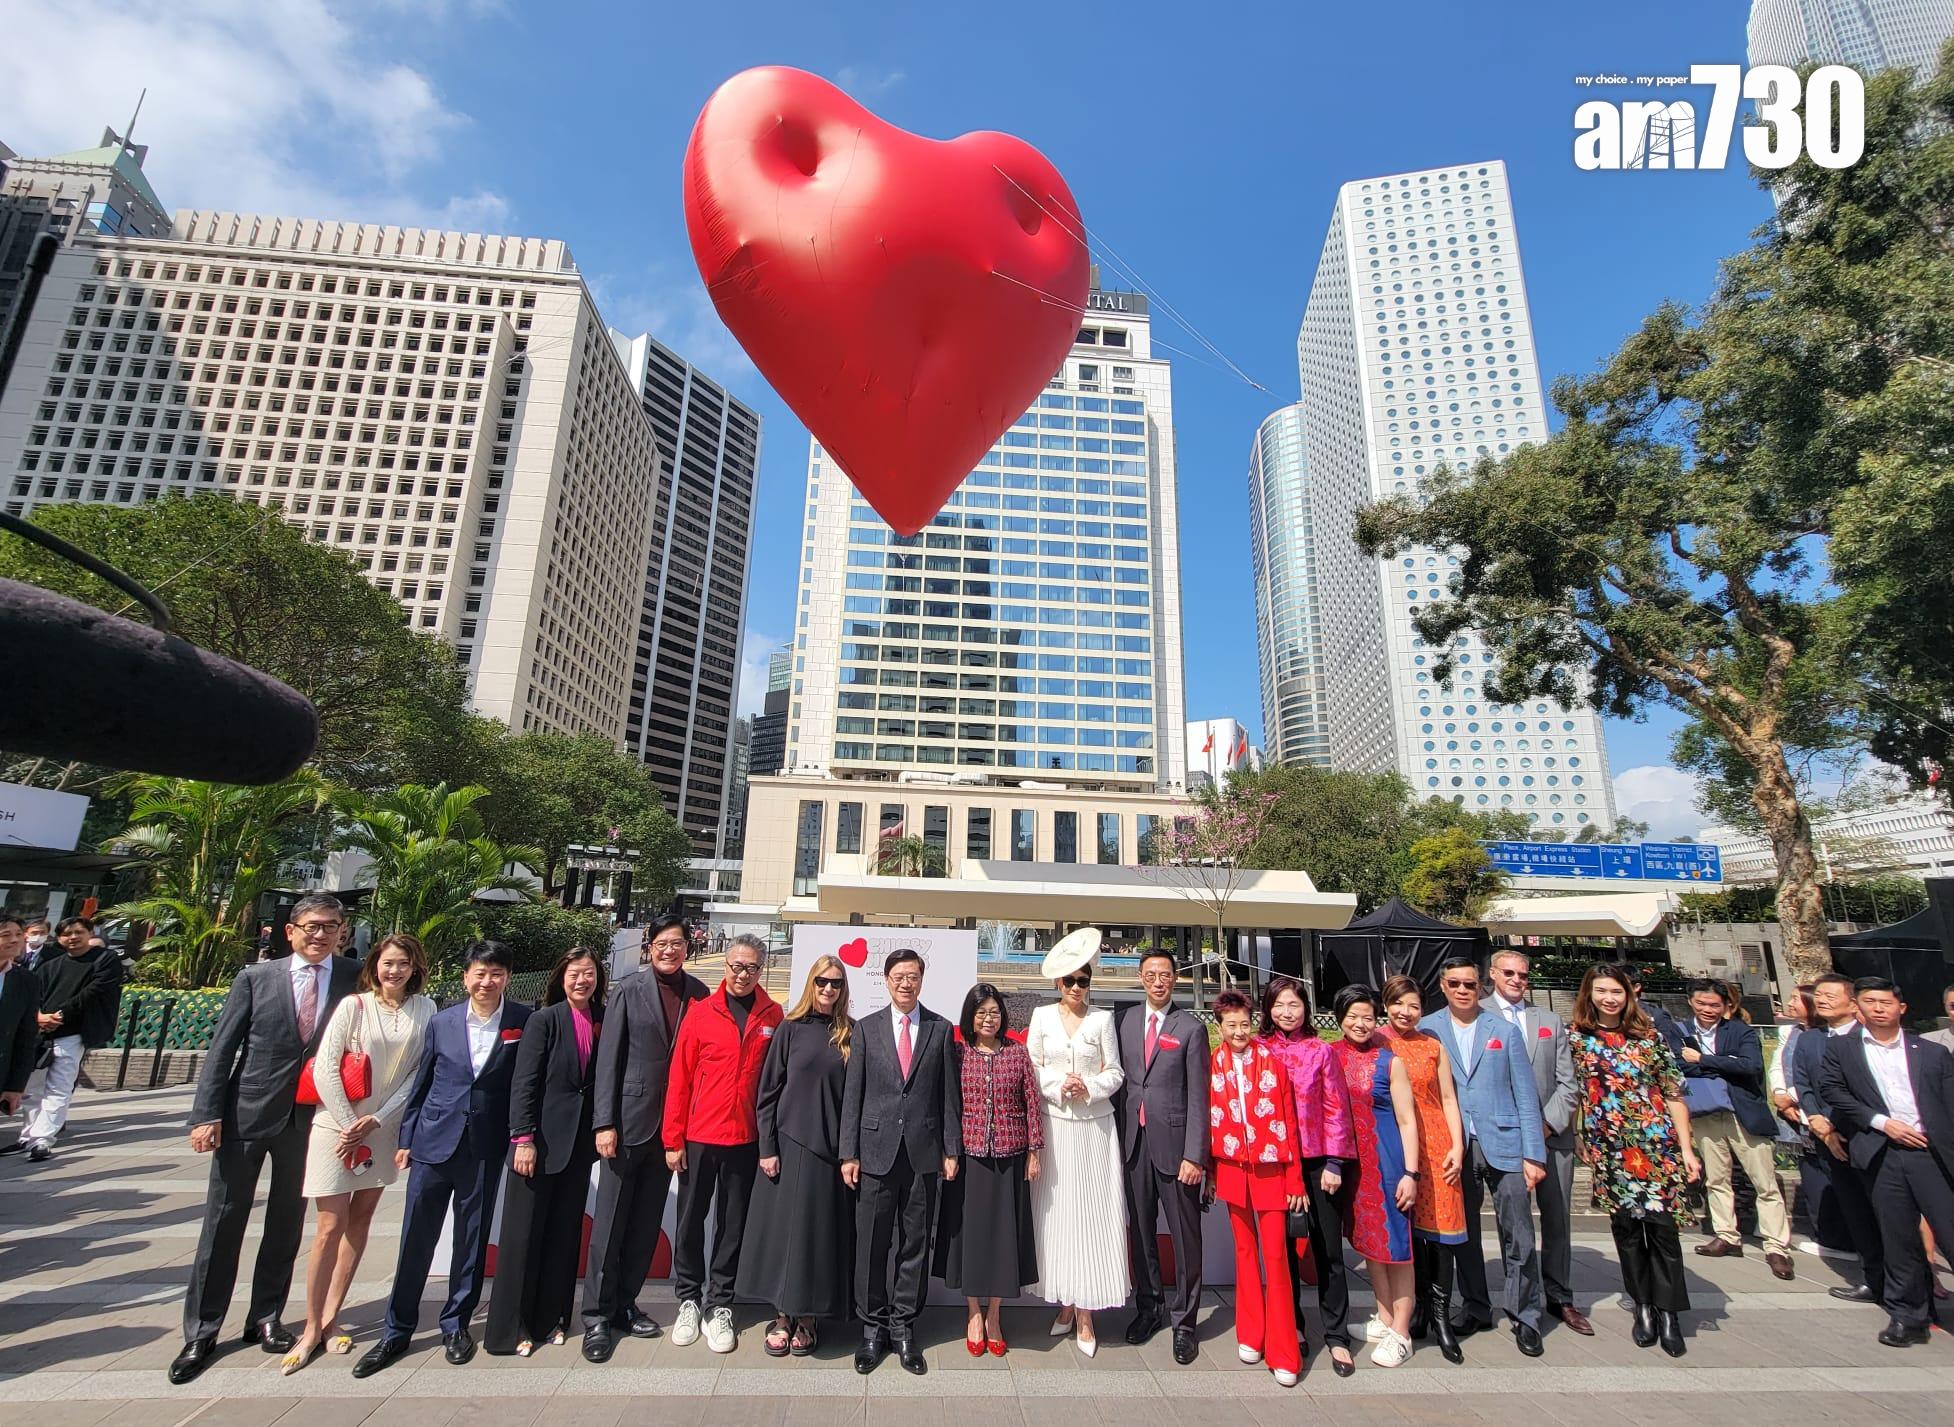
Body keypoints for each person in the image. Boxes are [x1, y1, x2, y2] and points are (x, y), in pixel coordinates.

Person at [169, 894, 359, 1385]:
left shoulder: (351, 977)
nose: (321, 935)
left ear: (342, 931)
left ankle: (266, 1316)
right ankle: (203, 1330)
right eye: (312, 926)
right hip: (246, 1113)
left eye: (331, 927)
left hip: (310, 1118)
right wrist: (206, 1114)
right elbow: (223, 1048)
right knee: (225, 1217)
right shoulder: (257, 977)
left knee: (287, 1220)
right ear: (290, 930)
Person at [354, 941, 532, 1379]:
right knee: (416, 1236)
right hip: (434, 1142)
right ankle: (397, 1329)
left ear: (506, 977)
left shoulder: (523, 1020)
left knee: (471, 1241)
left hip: (485, 1146)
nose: (487, 982)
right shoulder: (442, 1021)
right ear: (465, 977)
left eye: (496, 974)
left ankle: (456, 1324)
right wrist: (407, 1137)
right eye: (479, 973)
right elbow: (424, 1079)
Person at [283, 932, 435, 1372]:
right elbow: (327, 1064)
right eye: (388, 963)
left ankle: (333, 1318)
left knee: (361, 1221)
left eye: (403, 964)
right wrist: (349, 1120)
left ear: (415, 968)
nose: (395, 971)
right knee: (329, 1226)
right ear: (375, 966)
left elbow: (416, 1074)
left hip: (381, 1131)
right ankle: (311, 1326)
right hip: (337, 1127)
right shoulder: (354, 1006)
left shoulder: (425, 1010)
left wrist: (378, 1119)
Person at [581, 914, 709, 1362]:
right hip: (628, 1123)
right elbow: (609, 1060)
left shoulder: (699, 993)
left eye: (677, 942)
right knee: (611, 1223)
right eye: (662, 943)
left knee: (644, 1226)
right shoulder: (628, 991)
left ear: (687, 947)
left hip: (673, 1130)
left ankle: (625, 1304)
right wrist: (604, 1123)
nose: (669, 950)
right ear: (649, 947)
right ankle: (596, 1315)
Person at [1568, 963, 1702, 1358]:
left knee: (1664, 1231)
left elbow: (1674, 1094)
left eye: (1617, 991)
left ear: (1629, 994)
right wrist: (1579, 1134)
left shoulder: (1649, 1038)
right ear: (1589, 994)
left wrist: (1687, 1148)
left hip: (1655, 1146)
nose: (1609, 998)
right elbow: (1575, 1091)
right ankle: (1642, 1304)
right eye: (1602, 991)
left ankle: (1669, 1312)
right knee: (1625, 1230)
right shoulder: (1577, 1038)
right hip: (1610, 1148)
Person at [841, 947, 962, 1376]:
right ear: (887, 980)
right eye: (898, 976)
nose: (906, 983)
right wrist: (848, 1153)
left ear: (921, 980)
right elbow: (852, 1096)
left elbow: (949, 1096)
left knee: (914, 1245)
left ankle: (904, 1326)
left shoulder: (940, 1029)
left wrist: (951, 1150)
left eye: (913, 976)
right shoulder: (867, 1029)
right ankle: (872, 1327)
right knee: (872, 1244)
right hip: (874, 1153)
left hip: (923, 1154)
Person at [1420, 957, 1549, 1358]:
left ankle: (1525, 1313)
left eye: (1470, 984)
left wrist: (1535, 1154)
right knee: (1464, 1236)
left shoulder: (1503, 1031)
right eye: (1455, 983)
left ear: (1482, 987)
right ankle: (1476, 1305)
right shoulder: (1429, 1029)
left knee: (1519, 1233)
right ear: (1442, 986)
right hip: (1456, 1145)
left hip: (1505, 1140)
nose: (1463, 990)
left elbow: (1526, 1095)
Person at [1818, 976, 1954, 1348]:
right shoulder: (1843, 1050)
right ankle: (1909, 1316)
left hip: (1932, 1153)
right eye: (1870, 1002)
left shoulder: (1930, 1052)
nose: (1879, 1008)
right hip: (1883, 1153)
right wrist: (1882, 1124)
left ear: (1902, 1008)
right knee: (1898, 1237)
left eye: (1886, 1002)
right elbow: (1832, 1091)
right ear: (1859, 1007)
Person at [663, 932, 781, 1355]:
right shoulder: (701, 1013)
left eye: (751, 967)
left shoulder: (773, 1014)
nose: (743, 974)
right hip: (698, 1137)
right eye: (736, 966)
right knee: (691, 1221)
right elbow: (679, 1079)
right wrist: (673, 1139)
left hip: (745, 1139)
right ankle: (689, 1299)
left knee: (734, 1224)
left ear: (760, 970)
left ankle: (720, 1304)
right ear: (725, 966)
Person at [485, 946, 606, 1357]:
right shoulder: (544, 1020)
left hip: (577, 1148)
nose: (581, 981)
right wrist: (523, 1138)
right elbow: (525, 1083)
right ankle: (510, 1328)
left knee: (563, 1235)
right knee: (523, 1237)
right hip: (537, 1145)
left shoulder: (601, 1019)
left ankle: (552, 1319)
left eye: (588, 973)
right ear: (561, 977)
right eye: (574, 973)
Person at [739, 953, 855, 1358]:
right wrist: (767, 1148)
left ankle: (810, 1318)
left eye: (836, 983)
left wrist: (850, 1153)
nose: (828, 989)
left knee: (817, 1239)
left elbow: (855, 1100)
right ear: (811, 983)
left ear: (843, 989)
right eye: (822, 981)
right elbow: (767, 1092)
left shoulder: (850, 1034)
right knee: (786, 1238)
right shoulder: (790, 1029)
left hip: (832, 1153)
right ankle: (784, 1315)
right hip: (789, 1146)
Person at [1025, 927, 1128, 1355]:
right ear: (1057, 984)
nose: (1076, 988)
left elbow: (1116, 1072)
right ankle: (1064, 1301)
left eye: (1083, 980)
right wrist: (1056, 1083)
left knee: (1093, 1213)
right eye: (1069, 981)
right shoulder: (1041, 1018)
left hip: (1094, 1129)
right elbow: (1030, 1065)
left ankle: (1087, 1311)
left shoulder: (1103, 1020)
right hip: (1054, 1126)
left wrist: (1088, 1085)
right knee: (1058, 1214)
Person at [1483, 949, 1587, 1335]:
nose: (1516, 980)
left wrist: (1543, 1125)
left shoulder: (1549, 1021)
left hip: (1550, 1136)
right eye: (1508, 973)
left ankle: (1560, 1296)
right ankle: (1522, 1301)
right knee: (1515, 1226)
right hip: (1504, 1140)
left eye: (1523, 975)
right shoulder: (1477, 1017)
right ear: (1492, 974)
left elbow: (1568, 1083)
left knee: (1558, 1220)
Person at [1258, 975, 1357, 1373]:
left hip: (1318, 1163)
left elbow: (1336, 1107)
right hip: (1275, 1163)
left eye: (1294, 1005)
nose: (1286, 1012)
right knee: (1281, 1252)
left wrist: (1335, 1163)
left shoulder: (1320, 1051)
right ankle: (1292, 1327)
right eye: (1279, 1005)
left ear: (1306, 1009)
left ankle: (1336, 1335)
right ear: (1267, 1009)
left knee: (1328, 1250)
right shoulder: (1260, 1050)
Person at [1116, 948, 1211, 1365]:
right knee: (1140, 1234)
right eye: (1151, 974)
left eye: (1165, 974)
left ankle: (1185, 1322)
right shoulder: (1126, 1022)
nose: (1158, 981)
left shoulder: (1190, 1028)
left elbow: (1199, 1097)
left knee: (1186, 1239)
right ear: (1140, 978)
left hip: (1177, 1151)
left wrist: (1196, 1155)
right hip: (1133, 1145)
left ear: (1176, 979)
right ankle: (1148, 1307)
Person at [935, 981, 1040, 1355]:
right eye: (981, 1012)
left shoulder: (1017, 1053)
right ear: (970, 1017)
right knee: (971, 1240)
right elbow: (948, 1105)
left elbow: (1032, 1102)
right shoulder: (958, 1054)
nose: (988, 1019)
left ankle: (995, 1313)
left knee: (1003, 1239)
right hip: (969, 1157)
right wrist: (949, 1150)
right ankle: (973, 1312)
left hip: (1010, 1157)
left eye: (994, 1012)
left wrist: (1034, 1150)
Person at [1665, 978, 1795, 1279]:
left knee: (1764, 1180)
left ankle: (1776, 1245)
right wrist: (1724, 1063)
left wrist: (1703, 1060)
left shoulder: (1740, 1030)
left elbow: (1750, 1066)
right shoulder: (1680, 1030)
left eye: (1714, 1005)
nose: (1707, 1009)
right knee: (1716, 1177)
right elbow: (1676, 1066)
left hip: (1741, 1111)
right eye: (1701, 1003)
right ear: (1690, 1002)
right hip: (1706, 1112)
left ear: (1726, 1005)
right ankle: (1726, 1234)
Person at [1208, 990, 1306, 1388]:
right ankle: (1250, 1333)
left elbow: (1290, 1121)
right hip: (1232, 1169)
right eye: (1230, 1025)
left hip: (1270, 1171)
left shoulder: (1272, 1063)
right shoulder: (1213, 1064)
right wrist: (1213, 1171)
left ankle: (1284, 1351)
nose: (1238, 1031)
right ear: (1219, 1027)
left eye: (1244, 1023)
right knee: (1245, 1255)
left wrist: (1295, 1176)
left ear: (1253, 1022)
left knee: (1277, 1260)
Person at [1328, 985, 1421, 1368]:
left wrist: (1410, 1173)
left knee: (1397, 1247)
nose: (1360, 1023)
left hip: (1387, 1162)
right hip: (1353, 1166)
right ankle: (1384, 1317)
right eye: (1353, 1016)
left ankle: (1402, 1329)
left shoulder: (1389, 1061)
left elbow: (1406, 1119)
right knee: (1371, 1244)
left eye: (1367, 1016)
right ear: (1340, 1018)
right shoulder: (1331, 1053)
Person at [1378, 974, 1469, 1361]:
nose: (1406, 1012)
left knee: (1442, 1235)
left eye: (1414, 1005)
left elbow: (1448, 1097)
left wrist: (1458, 1144)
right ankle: (1408, 1314)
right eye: (1399, 1004)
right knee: (1407, 1231)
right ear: (1386, 1004)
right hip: (1396, 1147)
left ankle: (1441, 1316)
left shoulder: (1432, 1045)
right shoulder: (1377, 1041)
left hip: (1437, 1144)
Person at [9, 914, 124, 1161]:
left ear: (89, 933)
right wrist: (39, 1016)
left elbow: (95, 991)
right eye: (66, 934)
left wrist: (60, 1014)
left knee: (59, 1087)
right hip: (41, 1033)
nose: (72, 938)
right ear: (59, 938)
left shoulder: (105, 960)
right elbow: (33, 994)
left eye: (78, 932)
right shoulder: (50, 965)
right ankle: (26, 1136)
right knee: (31, 1088)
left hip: (73, 1033)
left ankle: (42, 1140)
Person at [0, 916, 43, 1123]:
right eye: (5, 935)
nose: (15, 940)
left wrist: (15, 1086)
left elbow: (26, 1037)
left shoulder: (26, 980)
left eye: (18, 934)